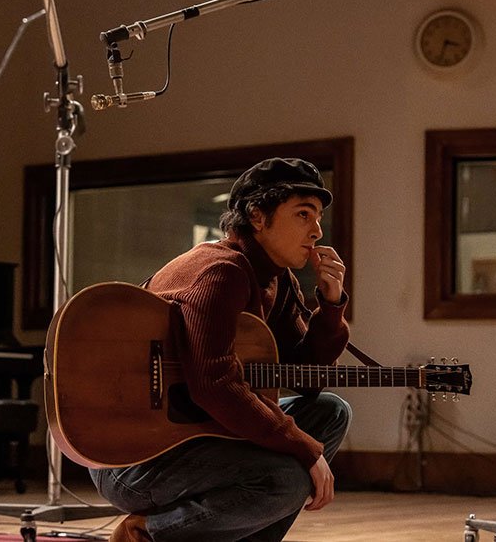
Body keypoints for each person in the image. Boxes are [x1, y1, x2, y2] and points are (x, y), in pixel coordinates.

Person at [90, 158, 352, 542]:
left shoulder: (276, 280)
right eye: (303, 214)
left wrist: (330, 307)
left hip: (192, 434)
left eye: (318, 217)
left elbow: (307, 379)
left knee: (330, 412)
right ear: (257, 216)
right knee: (284, 481)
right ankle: (145, 534)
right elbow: (214, 385)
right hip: (131, 458)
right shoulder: (221, 271)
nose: (316, 231)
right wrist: (306, 449)